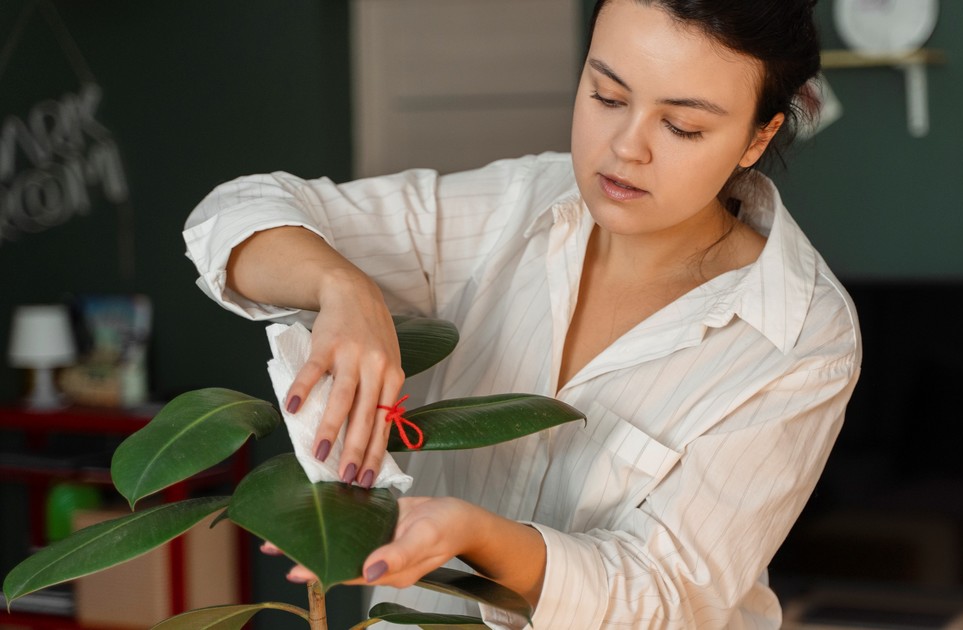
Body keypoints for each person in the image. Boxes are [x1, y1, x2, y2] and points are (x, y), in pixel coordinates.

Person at [183, 0, 860, 627]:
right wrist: (343, 286)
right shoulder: (520, 204)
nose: (626, 146)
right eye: (607, 94)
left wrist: (478, 536)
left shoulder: (801, 332)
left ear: (755, 137)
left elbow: (668, 596)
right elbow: (235, 213)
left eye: (682, 126)